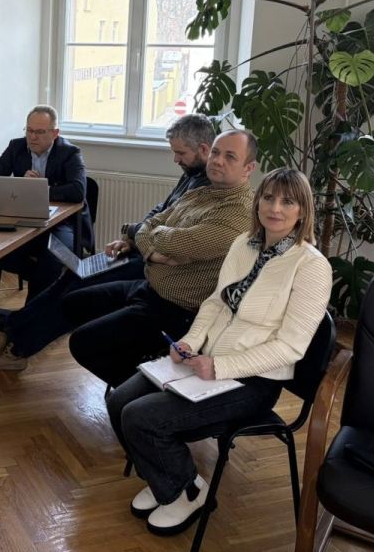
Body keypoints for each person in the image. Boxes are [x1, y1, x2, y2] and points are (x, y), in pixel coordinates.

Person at [108, 167, 330, 536]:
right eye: (268, 197)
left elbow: (291, 347)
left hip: (253, 381)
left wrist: (220, 366)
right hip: (205, 362)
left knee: (141, 417)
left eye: (287, 201)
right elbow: (215, 302)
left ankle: (189, 492)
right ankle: (167, 481)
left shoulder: (311, 267)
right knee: (120, 401)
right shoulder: (244, 243)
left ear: (303, 211)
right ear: (257, 202)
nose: (275, 208)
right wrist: (190, 342)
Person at [0, 130, 257, 376]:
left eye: (228, 156)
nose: (176, 158)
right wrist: (140, 240)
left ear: (248, 168)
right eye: (216, 153)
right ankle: (7, 329)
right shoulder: (201, 186)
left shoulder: (231, 205)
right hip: (148, 262)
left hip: (162, 285)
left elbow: (175, 242)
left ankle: (14, 344)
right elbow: (157, 219)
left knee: (79, 281)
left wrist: (147, 242)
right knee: (74, 274)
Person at [0, 105, 94, 299]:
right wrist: (22, 184)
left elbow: (78, 191)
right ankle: (42, 290)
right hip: (24, 220)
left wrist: (40, 188)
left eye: (40, 132)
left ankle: (30, 311)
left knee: (53, 258)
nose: (32, 137)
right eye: (29, 130)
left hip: (62, 223)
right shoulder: (16, 147)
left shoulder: (70, 152)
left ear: (55, 133)